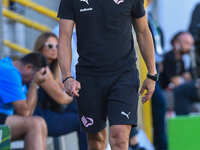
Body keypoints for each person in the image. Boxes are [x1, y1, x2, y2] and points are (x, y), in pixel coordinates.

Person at [57, 0, 158, 150]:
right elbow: (64, 38)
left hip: (124, 76)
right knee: (96, 141)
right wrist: (67, 77)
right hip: (89, 78)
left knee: (120, 137)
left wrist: (152, 74)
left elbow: (143, 32)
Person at [32, 32, 88, 150]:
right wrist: (70, 95)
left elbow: (62, 91)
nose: (54, 49)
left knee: (84, 110)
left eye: (57, 46)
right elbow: (62, 98)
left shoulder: (52, 68)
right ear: (40, 47)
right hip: (40, 116)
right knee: (83, 121)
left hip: (49, 112)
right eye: (50, 46)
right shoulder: (41, 69)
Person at [0, 52, 49, 150]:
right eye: (33, 77)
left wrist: (35, 84)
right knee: (34, 125)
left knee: (40, 122)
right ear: (28, 68)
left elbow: (29, 112)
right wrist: (34, 83)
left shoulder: (14, 71)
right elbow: (25, 112)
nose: (30, 81)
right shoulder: (9, 72)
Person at [159, 31, 194, 111]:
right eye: (187, 43)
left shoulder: (182, 61)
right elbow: (176, 83)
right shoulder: (169, 58)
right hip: (164, 93)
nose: (190, 47)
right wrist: (183, 79)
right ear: (176, 44)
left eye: (191, 44)